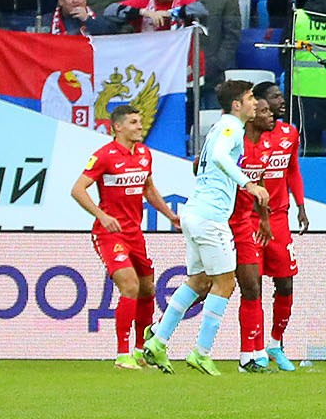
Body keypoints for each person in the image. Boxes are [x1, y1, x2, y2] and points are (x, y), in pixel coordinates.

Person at [138, 78, 268, 375]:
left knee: (198, 281)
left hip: (195, 212)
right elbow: (221, 156)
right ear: (237, 104)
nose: (255, 103)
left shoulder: (223, 126)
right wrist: (248, 184)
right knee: (225, 283)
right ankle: (202, 351)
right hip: (210, 217)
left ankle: (158, 340)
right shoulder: (231, 127)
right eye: (250, 97)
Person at [69, 100, 181, 367]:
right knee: (129, 285)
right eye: (133, 122)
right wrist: (102, 216)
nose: (139, 126)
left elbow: (149, 190)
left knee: (147, 289)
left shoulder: (144, 154)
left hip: (135, 234)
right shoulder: (104, 156)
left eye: (139, 121)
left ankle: (141, 350)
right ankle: (122, 354)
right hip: (110, 234)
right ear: (117, 127)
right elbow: (78, 189)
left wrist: (169, 215)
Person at [232, 80, 310, 371]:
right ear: (259, 105)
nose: (281, 102)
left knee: (286, 282)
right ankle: (253, 349)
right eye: (274, 98)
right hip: (248, 220)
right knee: (252, 287)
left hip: (278, 217)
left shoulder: (289, 133)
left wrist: (300, 205)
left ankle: (275, 343)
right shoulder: (241, 139)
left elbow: (293, 171)